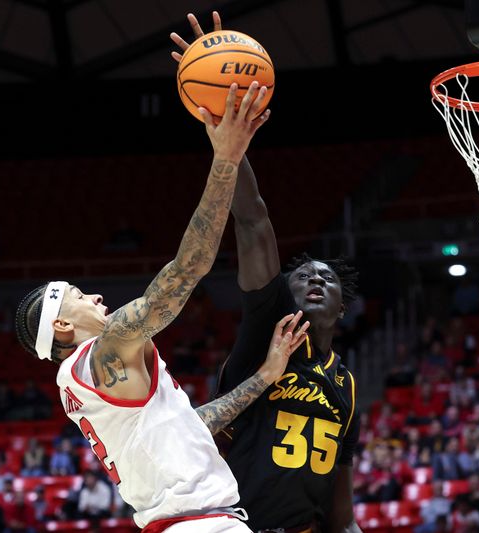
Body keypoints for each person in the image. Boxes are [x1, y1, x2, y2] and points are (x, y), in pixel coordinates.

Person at [13, 87, 310, 533]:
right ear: (61, 323)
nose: (95, 297)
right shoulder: (104, 353)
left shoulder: (89, 380)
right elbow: (187, 270)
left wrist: (265, 377)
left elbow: (191, 426)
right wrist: (226, 159)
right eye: (79, 294)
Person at [171, 14, 360, 532]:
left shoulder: (347, 385)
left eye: (328, 279)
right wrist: (224, 129)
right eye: (303, 277)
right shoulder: (266, 326)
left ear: (343, 308)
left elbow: (341, 505)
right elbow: (253, 218)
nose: (315, 280)